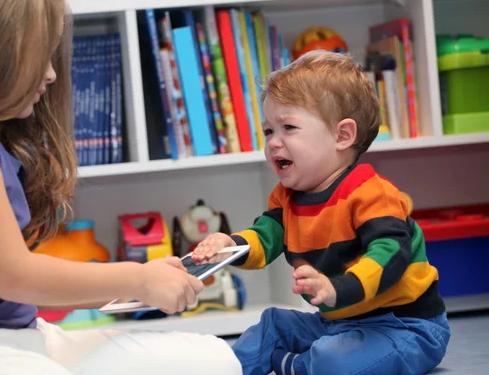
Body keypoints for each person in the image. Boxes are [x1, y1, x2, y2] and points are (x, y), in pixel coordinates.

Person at [0, 0, 242, 374]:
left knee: (213, 357)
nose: (53, 73)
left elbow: (14, 289)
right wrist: (138, 278)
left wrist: (150, 281)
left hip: (16, 337)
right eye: (43, 54)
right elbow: (14, 276)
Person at [192, 50, 451, 375]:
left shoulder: (372, 193)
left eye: (288, 127)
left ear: (342, 136)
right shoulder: (286, 197)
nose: (273, 142)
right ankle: (224, 369)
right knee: (273, 325)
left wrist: (336, 288)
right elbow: (264, 239)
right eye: (269, 130)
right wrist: (228, 247)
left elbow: (390, 255)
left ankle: (296, 366)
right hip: (336, 323)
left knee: (334, 359)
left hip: (403, 326)